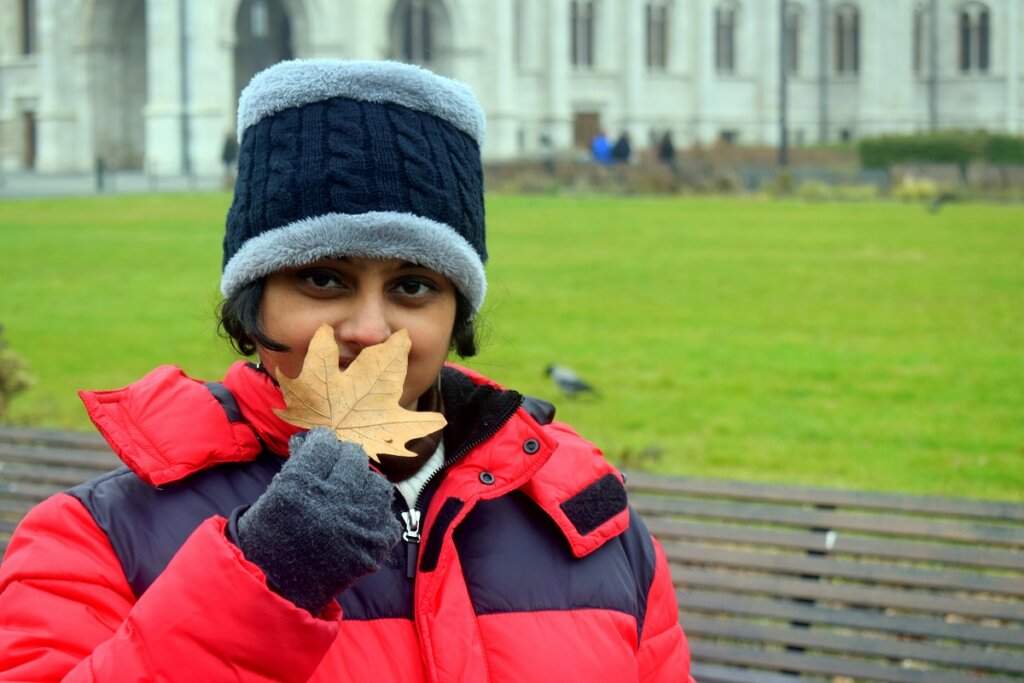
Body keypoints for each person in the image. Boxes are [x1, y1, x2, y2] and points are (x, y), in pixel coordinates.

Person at [0, 59, 693, 682]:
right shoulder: (97, 538)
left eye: (413, 286)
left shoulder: (592, 525)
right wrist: (261, 579)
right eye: (324, 278)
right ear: (251, 308)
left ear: (458, 317)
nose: (369, 328)